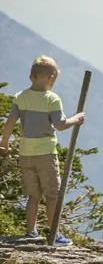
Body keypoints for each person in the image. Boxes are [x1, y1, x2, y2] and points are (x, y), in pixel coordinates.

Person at [0, 56, 85, 245]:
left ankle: (31, 231)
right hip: (46, 155)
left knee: (34, 195)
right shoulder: (52, 99)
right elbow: (60, 125)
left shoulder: (21, 97)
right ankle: (54, 234)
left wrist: (4, 143)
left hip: (26, 155)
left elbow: (10, 122)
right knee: (52, 195)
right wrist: (77, 118)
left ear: (32, 76)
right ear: (51, 78)